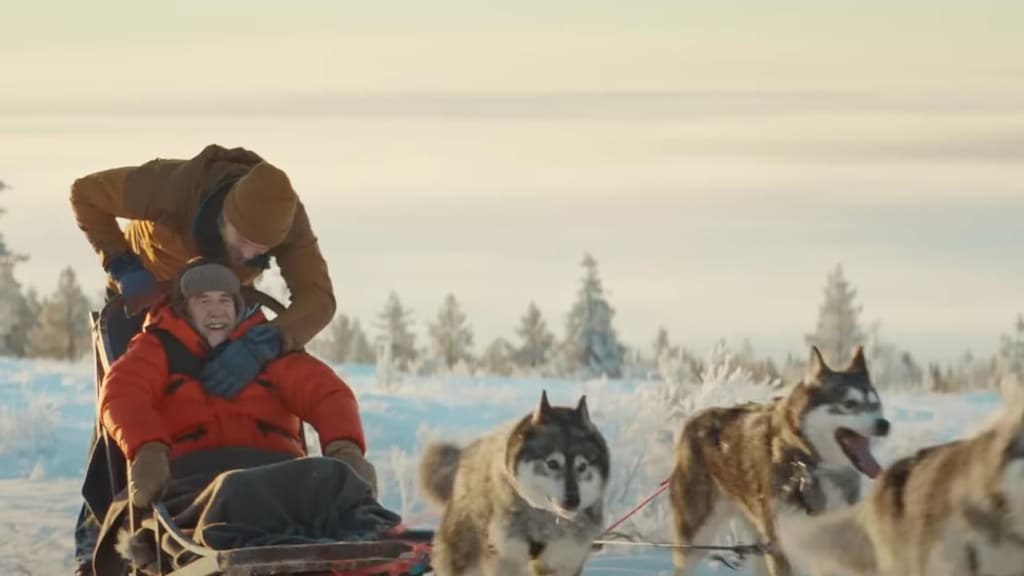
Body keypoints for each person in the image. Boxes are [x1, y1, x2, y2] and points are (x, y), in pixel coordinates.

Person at [70, 145, 337, 574]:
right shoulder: (171, 187)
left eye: (261, 249)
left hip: (223, 303)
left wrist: (268, 340)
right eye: (243, 241)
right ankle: (100, 526)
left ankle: (260, 493)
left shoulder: (286, 220)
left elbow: (318, 299)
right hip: (146, 294)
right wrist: (124, 265)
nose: (250, 254)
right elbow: (86, 193)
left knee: (255, 393)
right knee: (125, 397)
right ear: (222, 216)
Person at [99, 258, 374, 509]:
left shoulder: (263, 347)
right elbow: (122, 394)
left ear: (237, 306)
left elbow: (325, 392)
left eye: (224, 301)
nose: (216, 311)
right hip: (192, 478)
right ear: (184, 310)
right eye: (203, 301)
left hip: (278, 472)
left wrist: (344, 448)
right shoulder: (157, 347)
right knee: (230, 495)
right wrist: (148, 450)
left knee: (334, 492)